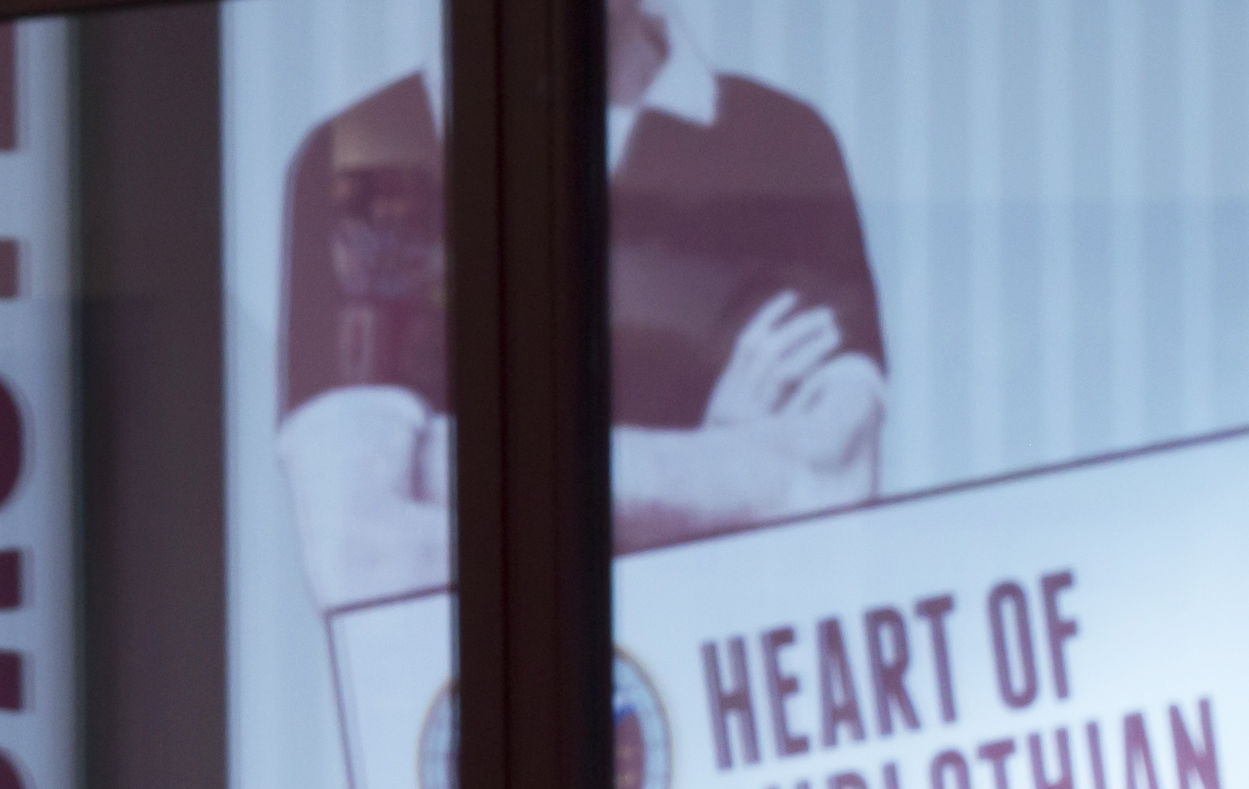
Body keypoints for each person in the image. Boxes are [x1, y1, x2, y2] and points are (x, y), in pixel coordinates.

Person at [278, 0, 883, 603]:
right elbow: (360, 550)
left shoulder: (785, 143)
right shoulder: (360, 150)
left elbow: (825, 498)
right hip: (477, 698)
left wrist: (442, 469)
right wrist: (728, 465)